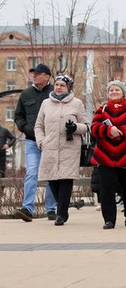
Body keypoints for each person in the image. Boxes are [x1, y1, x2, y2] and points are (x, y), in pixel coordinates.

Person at [34, 75, 88, 226]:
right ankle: (62, 208)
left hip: (69, 147)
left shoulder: (77, 103)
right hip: (49, 146)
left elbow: (86, 125)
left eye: (62, 85)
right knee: (52, 180)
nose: (58, 87)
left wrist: (75, 127)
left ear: (68, 87)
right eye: (56, 84)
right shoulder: (46, 103)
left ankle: (61, 213)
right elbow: (38, 125)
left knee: (65, 179)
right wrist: (41, 141)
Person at [91, 80, 126, 229]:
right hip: (105, 157)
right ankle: (109, 219)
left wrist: (118, 132)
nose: (114, 92)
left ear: (124, 93)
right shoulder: (102, 110)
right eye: (111, 90)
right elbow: (94, 128)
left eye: (117, 90)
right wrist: (108, 131)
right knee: (107, 189)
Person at [14, 63, 56, 222]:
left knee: (51, 174)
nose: (35, 76)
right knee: (32, 172)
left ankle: (51, 209)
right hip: (32, 141)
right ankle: (27, 208)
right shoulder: (26, 94)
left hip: (51, 141)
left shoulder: (54, 92)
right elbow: (18, 115)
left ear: (47, 76)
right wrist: (25, 128)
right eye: (34, 73)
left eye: (38, 74)